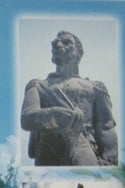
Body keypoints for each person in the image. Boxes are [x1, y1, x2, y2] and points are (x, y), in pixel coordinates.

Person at [20, 31, 118, 166]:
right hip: (49, 145)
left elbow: (106, 127)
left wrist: (109, 161)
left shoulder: (95, 88)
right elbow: (26, 119)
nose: (58, 45)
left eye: (66, 42)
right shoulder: (37, 86)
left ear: (79, 52)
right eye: (54, 44)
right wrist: (54, 116)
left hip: (83, 142)